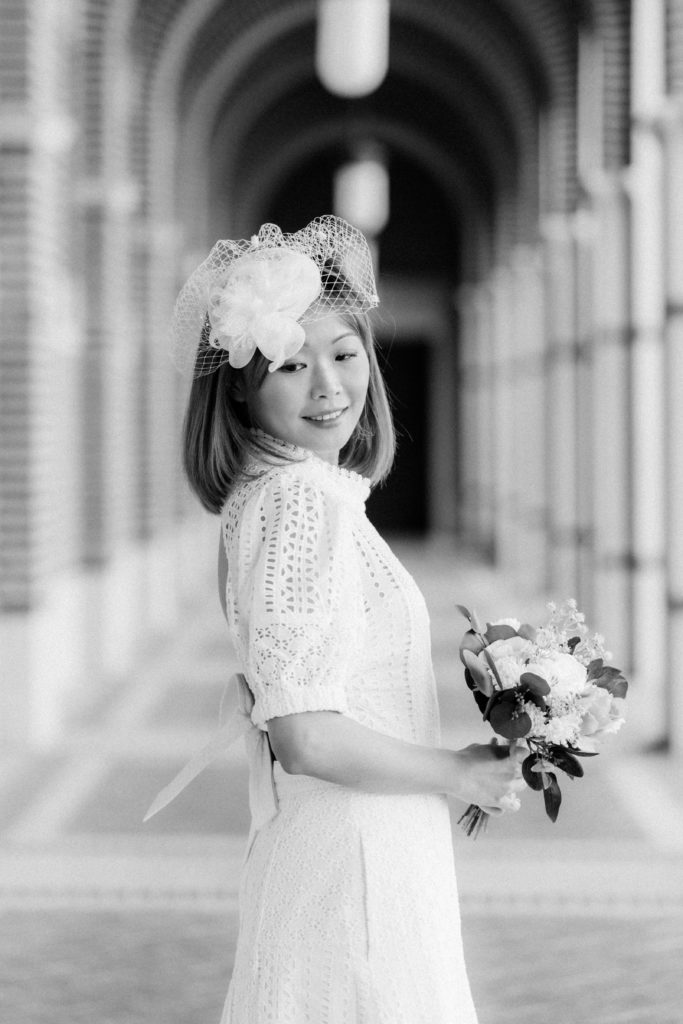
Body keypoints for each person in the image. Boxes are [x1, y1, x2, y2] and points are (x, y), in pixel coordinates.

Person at [148, 216, 525, 1023]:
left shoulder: (276, 496)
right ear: (242, 386)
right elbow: (305, 734)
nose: (329, 387)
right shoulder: (297, 503)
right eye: (291, 364)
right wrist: (458, 772)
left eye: (344, 355)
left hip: (348, 850)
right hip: (353, 862)